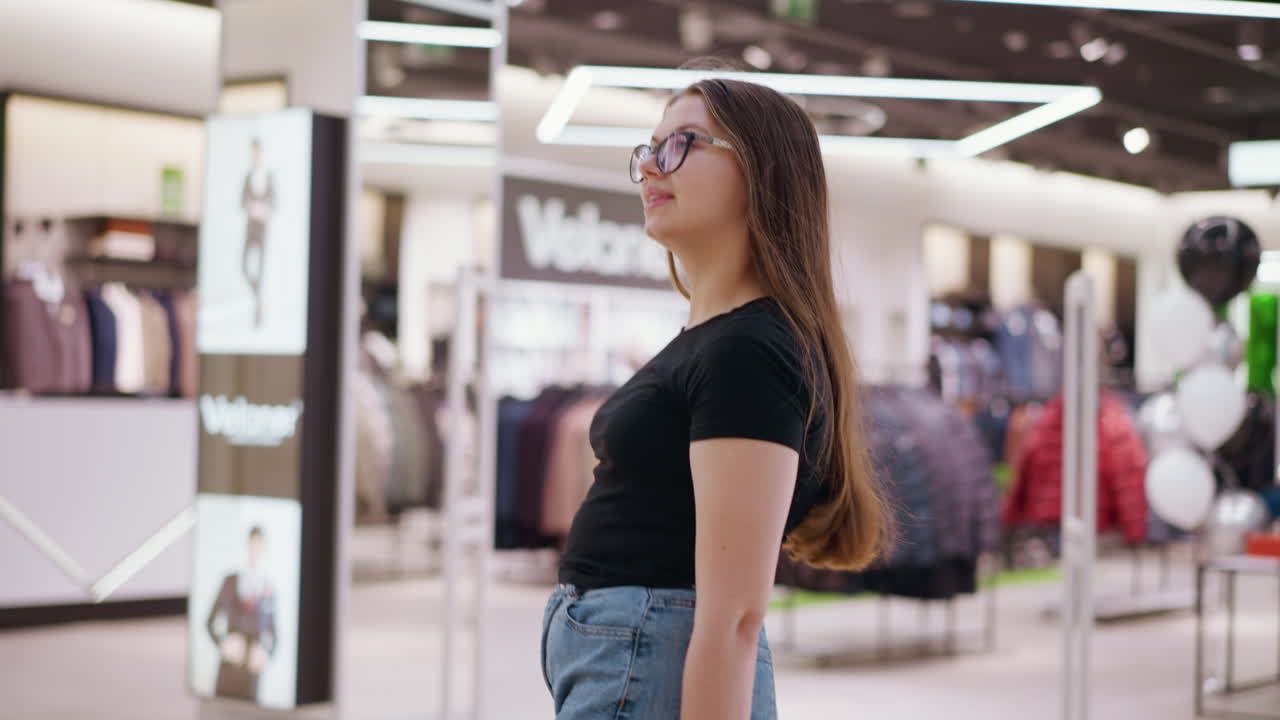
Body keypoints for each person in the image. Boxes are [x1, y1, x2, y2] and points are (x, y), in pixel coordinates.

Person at [540, 75, 893, 719]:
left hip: (651, 657)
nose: (651, 165)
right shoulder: (715, 340)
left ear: (762, 171)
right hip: (635, 656)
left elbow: (734, 617)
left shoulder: (749, 351)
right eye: (648, 148)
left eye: (682, 143)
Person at [206, 525, 277, 702]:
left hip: (252, 672)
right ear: (246, 546)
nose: (254, 551)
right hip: (229, 666)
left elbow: (275, 635)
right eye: (251, 546)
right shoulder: (229, 581)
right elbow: (208, 622)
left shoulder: (269, 588)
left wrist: (266, 653)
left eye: (258, 547)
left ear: (263, 549)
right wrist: (222, 643)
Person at [241, 138, 275, 328]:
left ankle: (258, 311)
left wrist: (263, 209)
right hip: (250, 225)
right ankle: (259, 298)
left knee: (261, 271)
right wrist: (250, 207)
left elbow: (274, 203)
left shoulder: (268, 176)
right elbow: (242, 201)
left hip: (263, 227)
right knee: (244, 267)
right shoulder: (248, 176)